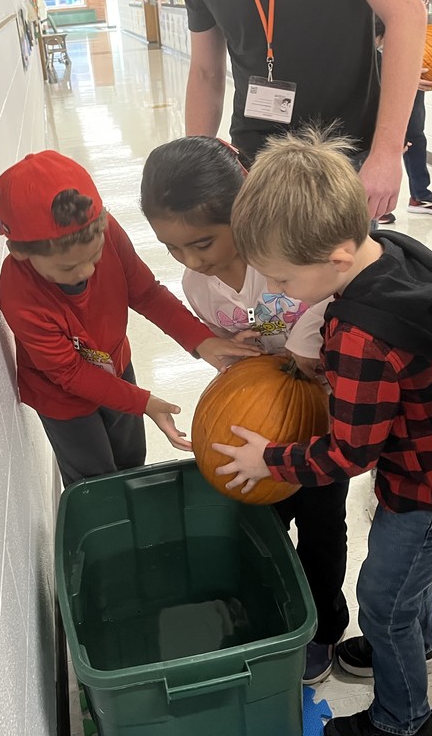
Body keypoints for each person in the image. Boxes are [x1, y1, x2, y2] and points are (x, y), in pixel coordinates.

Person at [210, 128, 432, 736]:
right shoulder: (392, 252)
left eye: (284, 279)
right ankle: (417, 644)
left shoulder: (359, 336)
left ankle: (400, 721)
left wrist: (268, 457)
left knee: (384, 598)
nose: (276, 293)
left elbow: (349, 452)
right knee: (407, 581)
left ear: (338, 258)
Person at [139, 135, 350, 685]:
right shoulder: (198, 285)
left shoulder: (282, 254)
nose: (192, 261)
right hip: (258, 424)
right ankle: (279, 612)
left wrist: (304, 340)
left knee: (323, 527)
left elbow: (334, 295)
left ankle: (325, 627)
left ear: (245, 212)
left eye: (203, 243)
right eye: (174, 250)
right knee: (263, 525)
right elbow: (221, 348)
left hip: (320, 421)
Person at [0, 150, 258, 487]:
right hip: (62, 397)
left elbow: (146, 293)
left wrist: (200, 339)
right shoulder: (20, 297)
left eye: (94, 256)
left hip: (116, 365)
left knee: (131, 460)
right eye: (68, 268)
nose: (87, 271)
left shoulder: (108, 231)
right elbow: (70, 373)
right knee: (94, 479)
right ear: (20, 253)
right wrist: (143, 401)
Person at [180, 0, 426, 221]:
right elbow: (205, 71)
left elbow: (406, 14)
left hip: (343, 153)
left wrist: (387, 153)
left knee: (341, 260)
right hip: (256, 156)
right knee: (260, 258)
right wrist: (196, 165)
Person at [373, 16, 432, 221]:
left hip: (419, 64)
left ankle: (419, 196)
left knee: (414, 135)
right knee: (371, 132)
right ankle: (372, 202)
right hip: (382, 63)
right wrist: (400, 69)